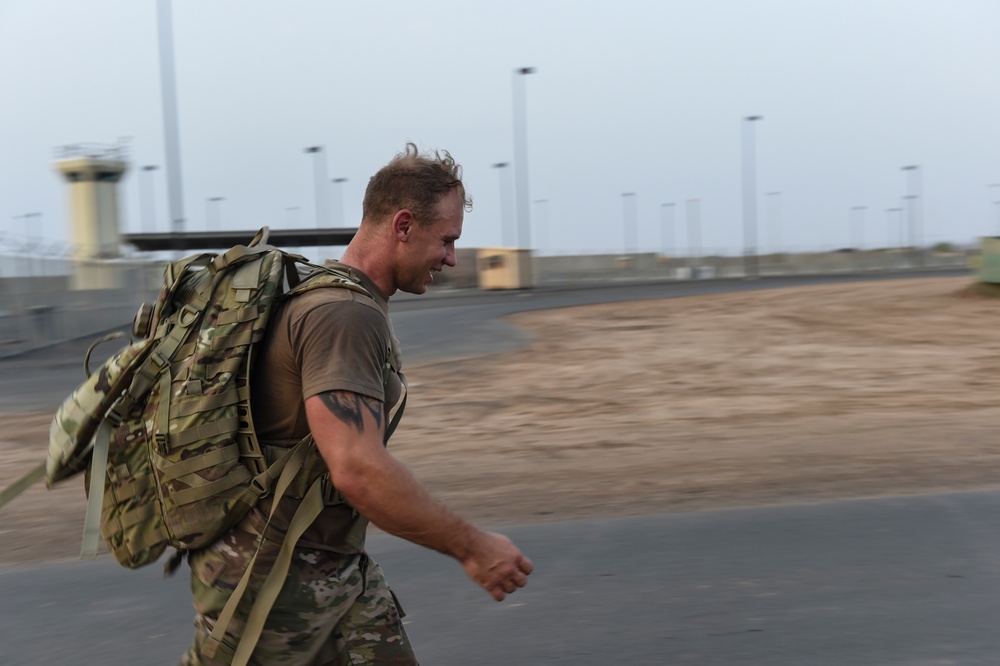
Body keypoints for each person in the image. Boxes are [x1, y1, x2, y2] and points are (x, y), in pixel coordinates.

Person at [179, 143, 533, 666]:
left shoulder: (330, 298)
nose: (452, 258)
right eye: (448, 240)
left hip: (328, 571)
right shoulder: (343, 314)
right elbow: (358, 469)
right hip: (277, 585)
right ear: (404, 225)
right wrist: (472, 546)